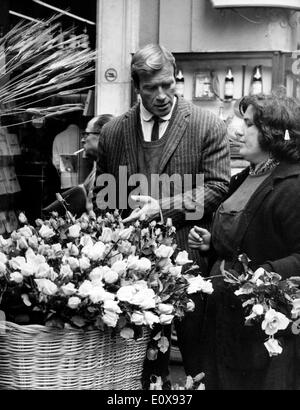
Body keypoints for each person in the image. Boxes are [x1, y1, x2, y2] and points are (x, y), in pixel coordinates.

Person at [92, 43, 230, 385]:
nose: (162, 94)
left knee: (197, 359)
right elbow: (104, 195)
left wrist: (163, 208)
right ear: (137, 86)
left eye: (168, 84)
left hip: (189, 260)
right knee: (138, 364)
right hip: (131, 269)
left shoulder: (206, 124)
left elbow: (217, 187)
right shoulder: (114, 132)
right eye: (151, 87)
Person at [188, 93, 300, 390]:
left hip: (257, 325)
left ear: (273, 132)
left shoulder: (293, 184)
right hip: (222, 312)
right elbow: (244, 234)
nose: (238, 130)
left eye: (249, 124)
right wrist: (212, 242)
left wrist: (264, 272)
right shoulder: (244, 177)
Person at [44, 114, 114, 217]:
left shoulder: (110, 172)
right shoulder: (97, 168)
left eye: (86, 134)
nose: (82, 140)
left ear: (102, 136)